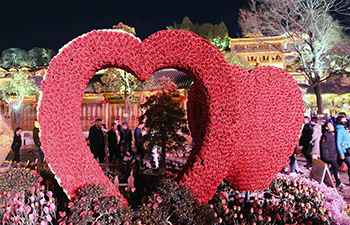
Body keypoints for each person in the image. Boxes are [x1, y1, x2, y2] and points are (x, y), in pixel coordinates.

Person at [321, 121, 344, 189]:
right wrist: (325, 155)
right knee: (336, 167)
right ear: (326, 128)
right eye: (330, 125)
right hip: (329, 156)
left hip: (332, 154)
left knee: (335, 167)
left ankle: (336, 182)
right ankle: (332, 180)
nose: (332, 126)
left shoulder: (332, 134)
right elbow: (323, 146)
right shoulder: (326, 135)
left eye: (332, 125)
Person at [335, 116, 350, 185]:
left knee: (337, 166)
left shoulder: (343, 129)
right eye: (344, 120)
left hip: (345, 149)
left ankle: (327, 175)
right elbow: (338, 142)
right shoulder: (340, 130)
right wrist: (341, 153)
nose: (345, 121)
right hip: (344, 151)